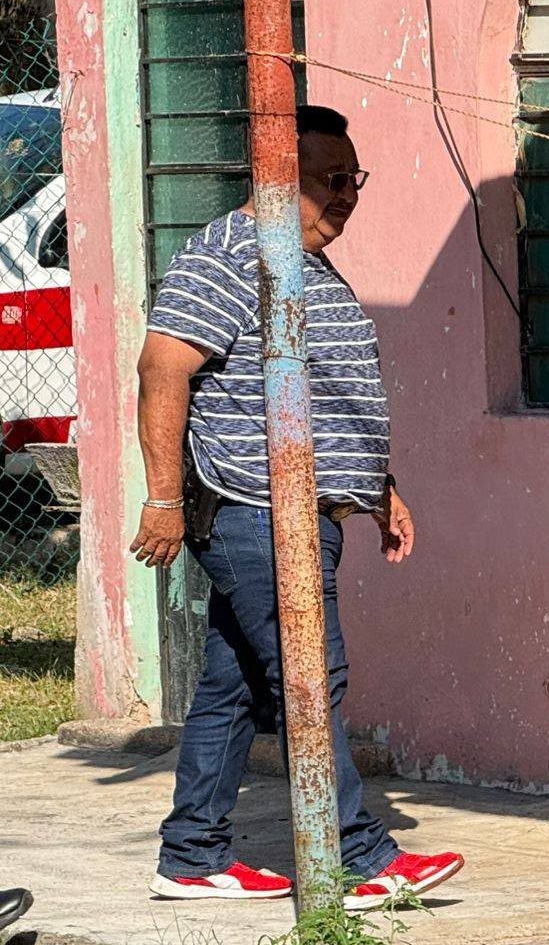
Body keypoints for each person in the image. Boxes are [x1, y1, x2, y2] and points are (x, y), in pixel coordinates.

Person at [131, 105, 462, 911]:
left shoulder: (305, 263)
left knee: (236, 682)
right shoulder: (230, 255)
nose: (348, 195)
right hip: (249, 508)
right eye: (331, 180)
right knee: (311, 671)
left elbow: (319, 393)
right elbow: (161, 368)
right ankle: (359, 855)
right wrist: (165, 498)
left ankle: (192, 854)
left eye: (356, 179)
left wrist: (376, 489)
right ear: (278, 176)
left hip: (301, 510)